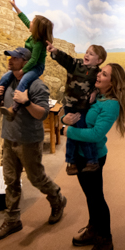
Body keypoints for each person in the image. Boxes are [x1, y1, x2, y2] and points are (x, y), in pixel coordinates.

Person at [0, 46, 67, 241]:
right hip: (9, 138)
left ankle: (57, 198)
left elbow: (42, 114)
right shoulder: (6, 81)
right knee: (10, 180)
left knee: (36, 178)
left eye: (15, 57)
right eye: (10, 57)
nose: (10, 60)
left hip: (29, 140)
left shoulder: (37, 85)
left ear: (26, 62)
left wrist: (26, 102)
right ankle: (12, 219)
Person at [61, 63, 125, 250]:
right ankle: (93, 228)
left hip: (94, 157)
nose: (98, 75)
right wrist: (66, 120)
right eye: (100, 71)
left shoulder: (111, 104)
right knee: (90, 197)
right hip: (81, 154)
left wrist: (67, 132)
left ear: (113, 82)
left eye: (104, 74)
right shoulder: (96, 95)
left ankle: (105, 241)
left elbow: (96, 134)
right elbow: (76, 114)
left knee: (97, 198)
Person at [0, 0, 52, 119]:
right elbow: (25, 20)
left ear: (38, 28)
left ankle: (14, 109)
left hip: (36, 67)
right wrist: (15, 7)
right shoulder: (33, 35)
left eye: (33, 22)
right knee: (5, 76)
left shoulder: (38, 43)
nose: (30, 23)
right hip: (29, 63)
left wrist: (22, 71)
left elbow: (33, 61)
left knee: (23, 81)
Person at [46, 40, 107, 175]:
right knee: (71, 133)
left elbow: (100, 84)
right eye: (87, 52)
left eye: (91, 54)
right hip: (69, 105)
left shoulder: (98, 72)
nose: (87, 55)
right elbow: (65, 59)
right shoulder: (76, 64)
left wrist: (95, 92)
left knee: (83, 132)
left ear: (99, 60)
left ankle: (92, 161)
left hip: (83, 107)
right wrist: (55, 51)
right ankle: (71, 162)